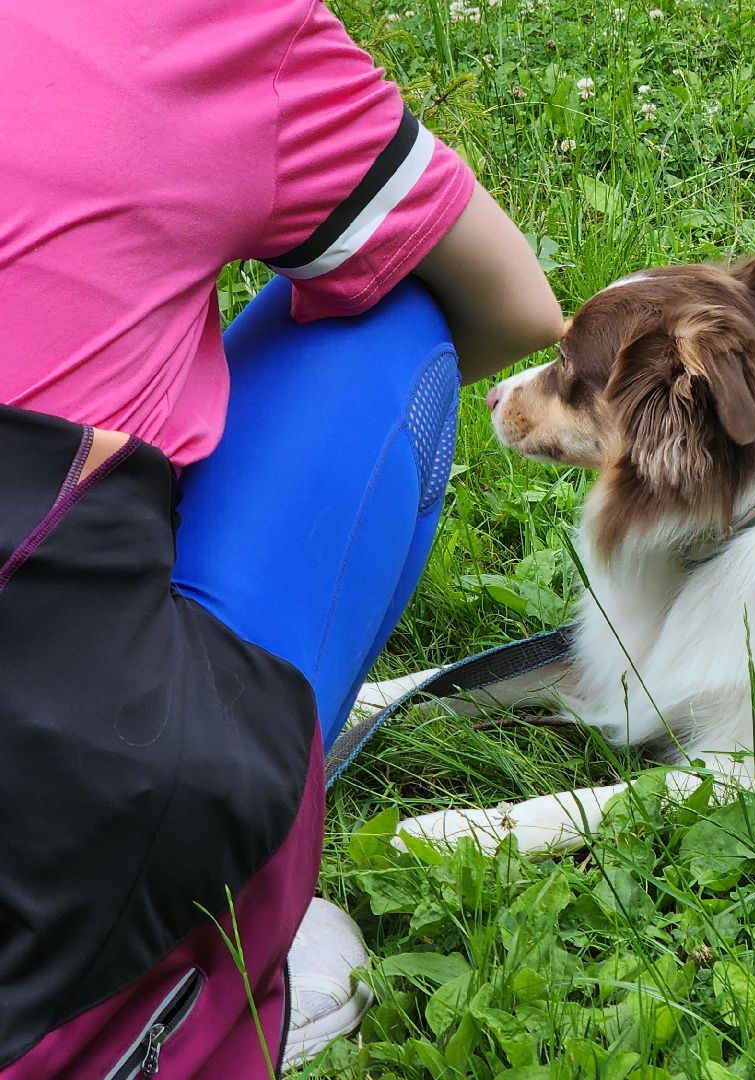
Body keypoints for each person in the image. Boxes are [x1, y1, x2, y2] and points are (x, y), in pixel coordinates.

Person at [0, 1, 563, 1074]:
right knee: (399, 308)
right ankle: (211, 946)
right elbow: (515, 304)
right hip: (50, 909)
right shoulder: (201, 24)